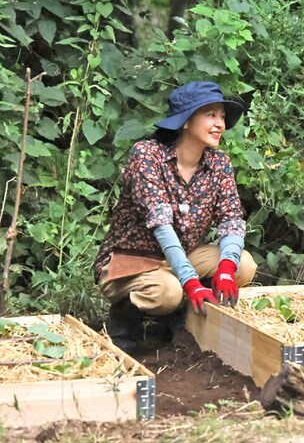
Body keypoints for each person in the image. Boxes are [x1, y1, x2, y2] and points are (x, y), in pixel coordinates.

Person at [94, 81, 258, 354]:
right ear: (186, 121)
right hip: (132, 262)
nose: (219, 124)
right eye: (210, 115)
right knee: (168, 292)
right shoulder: (147, 156)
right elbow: (161, 226)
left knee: (244, 264)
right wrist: (190, 282)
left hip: (182, 257)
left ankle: (185, 321)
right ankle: (125, 322)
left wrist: (226, 269)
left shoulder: (219, 163)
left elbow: (231, 220)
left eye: (221, 116)